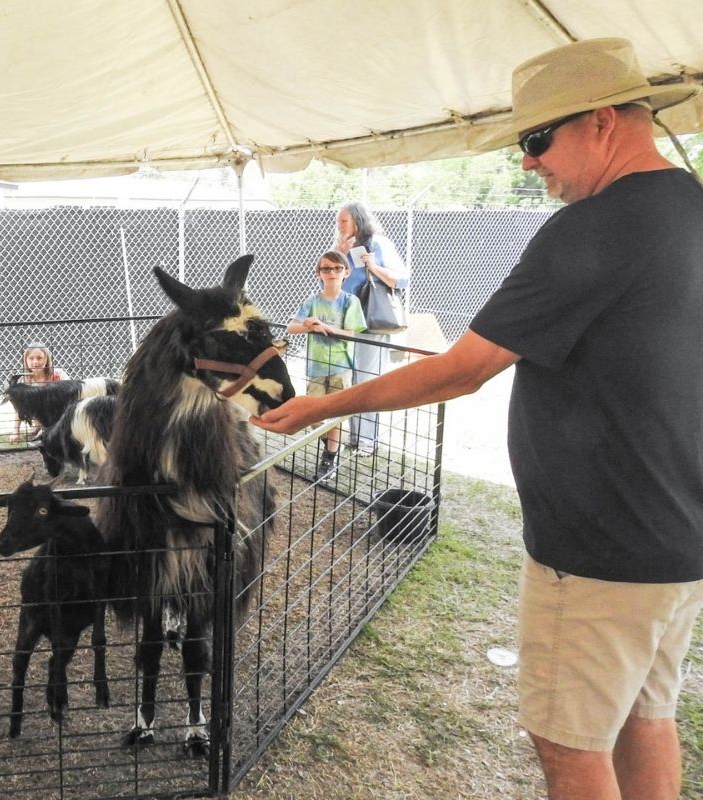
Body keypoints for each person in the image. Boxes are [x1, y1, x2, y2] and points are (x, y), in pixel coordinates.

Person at [253, 38, 703, 800]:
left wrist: (322, 407)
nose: (529, 162)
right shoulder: (690, 206)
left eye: (537, 140)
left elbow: (466, 368)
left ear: (601, 121)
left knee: (568, 746)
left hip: (599, 547)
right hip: (676, 537)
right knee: (645, 718)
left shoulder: (592, 229)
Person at [334, 200, 409, 457]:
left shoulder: (378, 243)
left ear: (358, 220)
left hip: (371, 323)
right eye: (339, 221)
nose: (339, 226)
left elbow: (402, 279)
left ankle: (367, 441)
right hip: (347, 322)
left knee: (368, 380)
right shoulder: (344, 246)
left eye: (344, 221)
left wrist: (372, 266)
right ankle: (355, 438)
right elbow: (329, 279)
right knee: (352, 381)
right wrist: (340, 255)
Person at [285, 250, 367, 476]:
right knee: (314, 416)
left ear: (346, 272)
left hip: (341, 367)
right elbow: (291, 327)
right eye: (326, 268)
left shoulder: (350, 302)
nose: (332, 272)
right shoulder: (311, 302)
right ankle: (329, 444)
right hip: (316, 367)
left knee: (336, 414)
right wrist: (309, 326)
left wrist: (326, 327)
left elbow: (350, 333)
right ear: (318, 273)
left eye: (337, 268)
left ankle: (329, 459)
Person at [8, 341, 69, 443]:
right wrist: (16, 431)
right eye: (31, 358)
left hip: (61, 416)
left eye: (39, 358)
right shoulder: (25, 381)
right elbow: (19, 409)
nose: (35, 362)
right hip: (40, 420)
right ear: (25, 360)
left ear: (46, 359)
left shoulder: (58, 374)